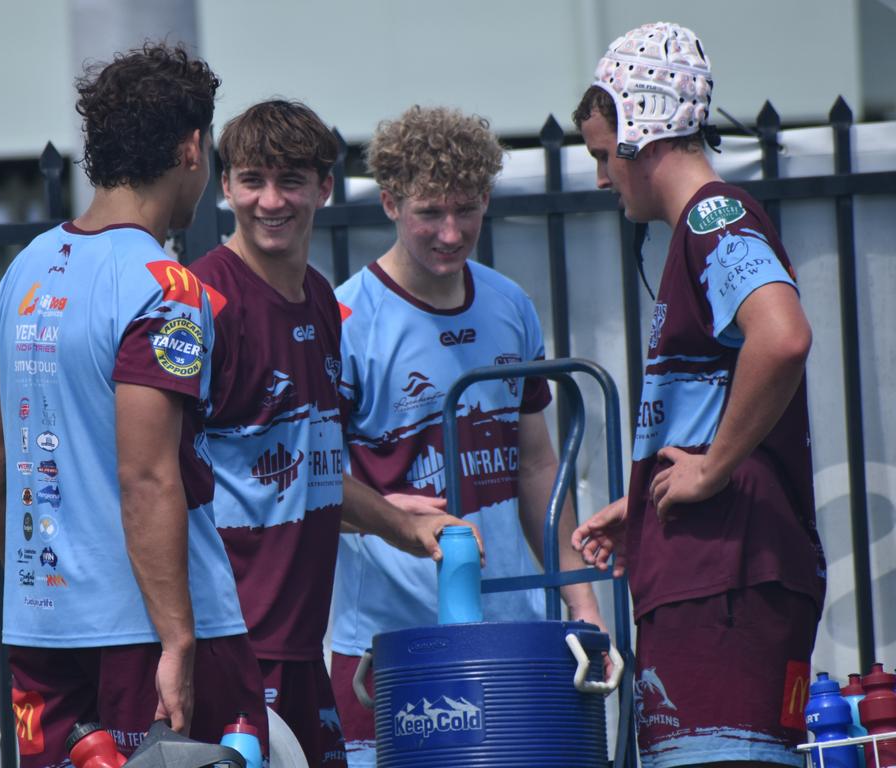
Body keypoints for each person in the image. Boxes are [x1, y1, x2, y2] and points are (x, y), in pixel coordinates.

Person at [0, 43, 267, 767]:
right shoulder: (167, 286)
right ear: (191, 148)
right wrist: (177, 638)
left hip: (44, 631)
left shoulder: (25, 270)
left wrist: (38, 590)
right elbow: (148, 475)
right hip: (146, 632)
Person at [187, 99, 480, 768]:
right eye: (253, 179)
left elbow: (310, 469)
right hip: (226, 648)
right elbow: (151, 479)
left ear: (324, 188)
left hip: (299, 649)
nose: (270, 200)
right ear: (224, 185)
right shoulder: (200, 299)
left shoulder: (321, 298)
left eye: (291, 181)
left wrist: (404, 527)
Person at [569, 22, 826, 768]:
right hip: (712, 579)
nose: (598, 176)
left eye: (599, 153)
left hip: (727, 580)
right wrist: (648, 492)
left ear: (636, 134)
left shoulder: (716, 216)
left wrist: (711, 470)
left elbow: (783, 337)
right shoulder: (699, 231)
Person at [327, 105, 608, 767]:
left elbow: (537, 464)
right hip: (387, 644)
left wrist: (582, 602)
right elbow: (315, 488)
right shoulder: (347, 317)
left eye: (467, 209)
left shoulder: (509, 304)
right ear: (390, 203)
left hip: (513, 632)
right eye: (430, 212)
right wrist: (387, 516)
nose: (451, 234)